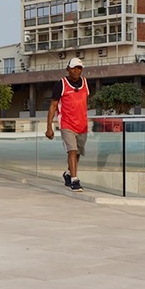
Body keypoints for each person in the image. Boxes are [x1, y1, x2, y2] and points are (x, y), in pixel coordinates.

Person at [45, 58, 89, 192]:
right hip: (66, 124)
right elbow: (53, 106)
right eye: (74, 68)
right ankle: (75, 180)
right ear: (68, 69)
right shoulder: (61, 84)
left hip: (82, 125)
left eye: (79, 68)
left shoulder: (86, 83)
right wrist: (49, 127)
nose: (76, 71)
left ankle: (68, 173)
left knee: (78, 153)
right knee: (72, 150)